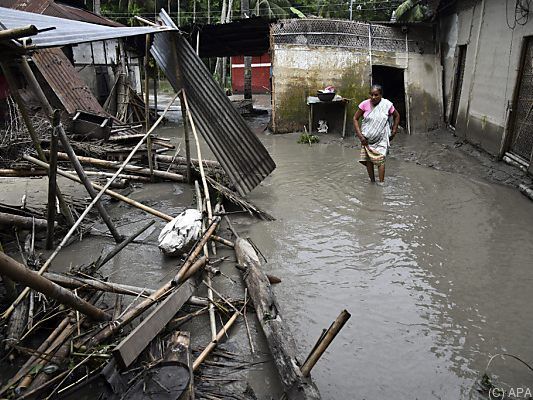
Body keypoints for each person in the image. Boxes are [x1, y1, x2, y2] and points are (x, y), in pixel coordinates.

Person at [353, 84, 401, 183]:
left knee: (381, 160)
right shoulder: (364, 104)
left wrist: (394, 130)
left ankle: (381, 184)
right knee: (369, 160)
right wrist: (360, 136)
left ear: (381, 95)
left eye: (376, 95)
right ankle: (372, 182)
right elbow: (355, 118)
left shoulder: (386, 104)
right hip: (367, 139)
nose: (373, 97)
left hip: (381, 138)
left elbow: (397, 116)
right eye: (371, 95)